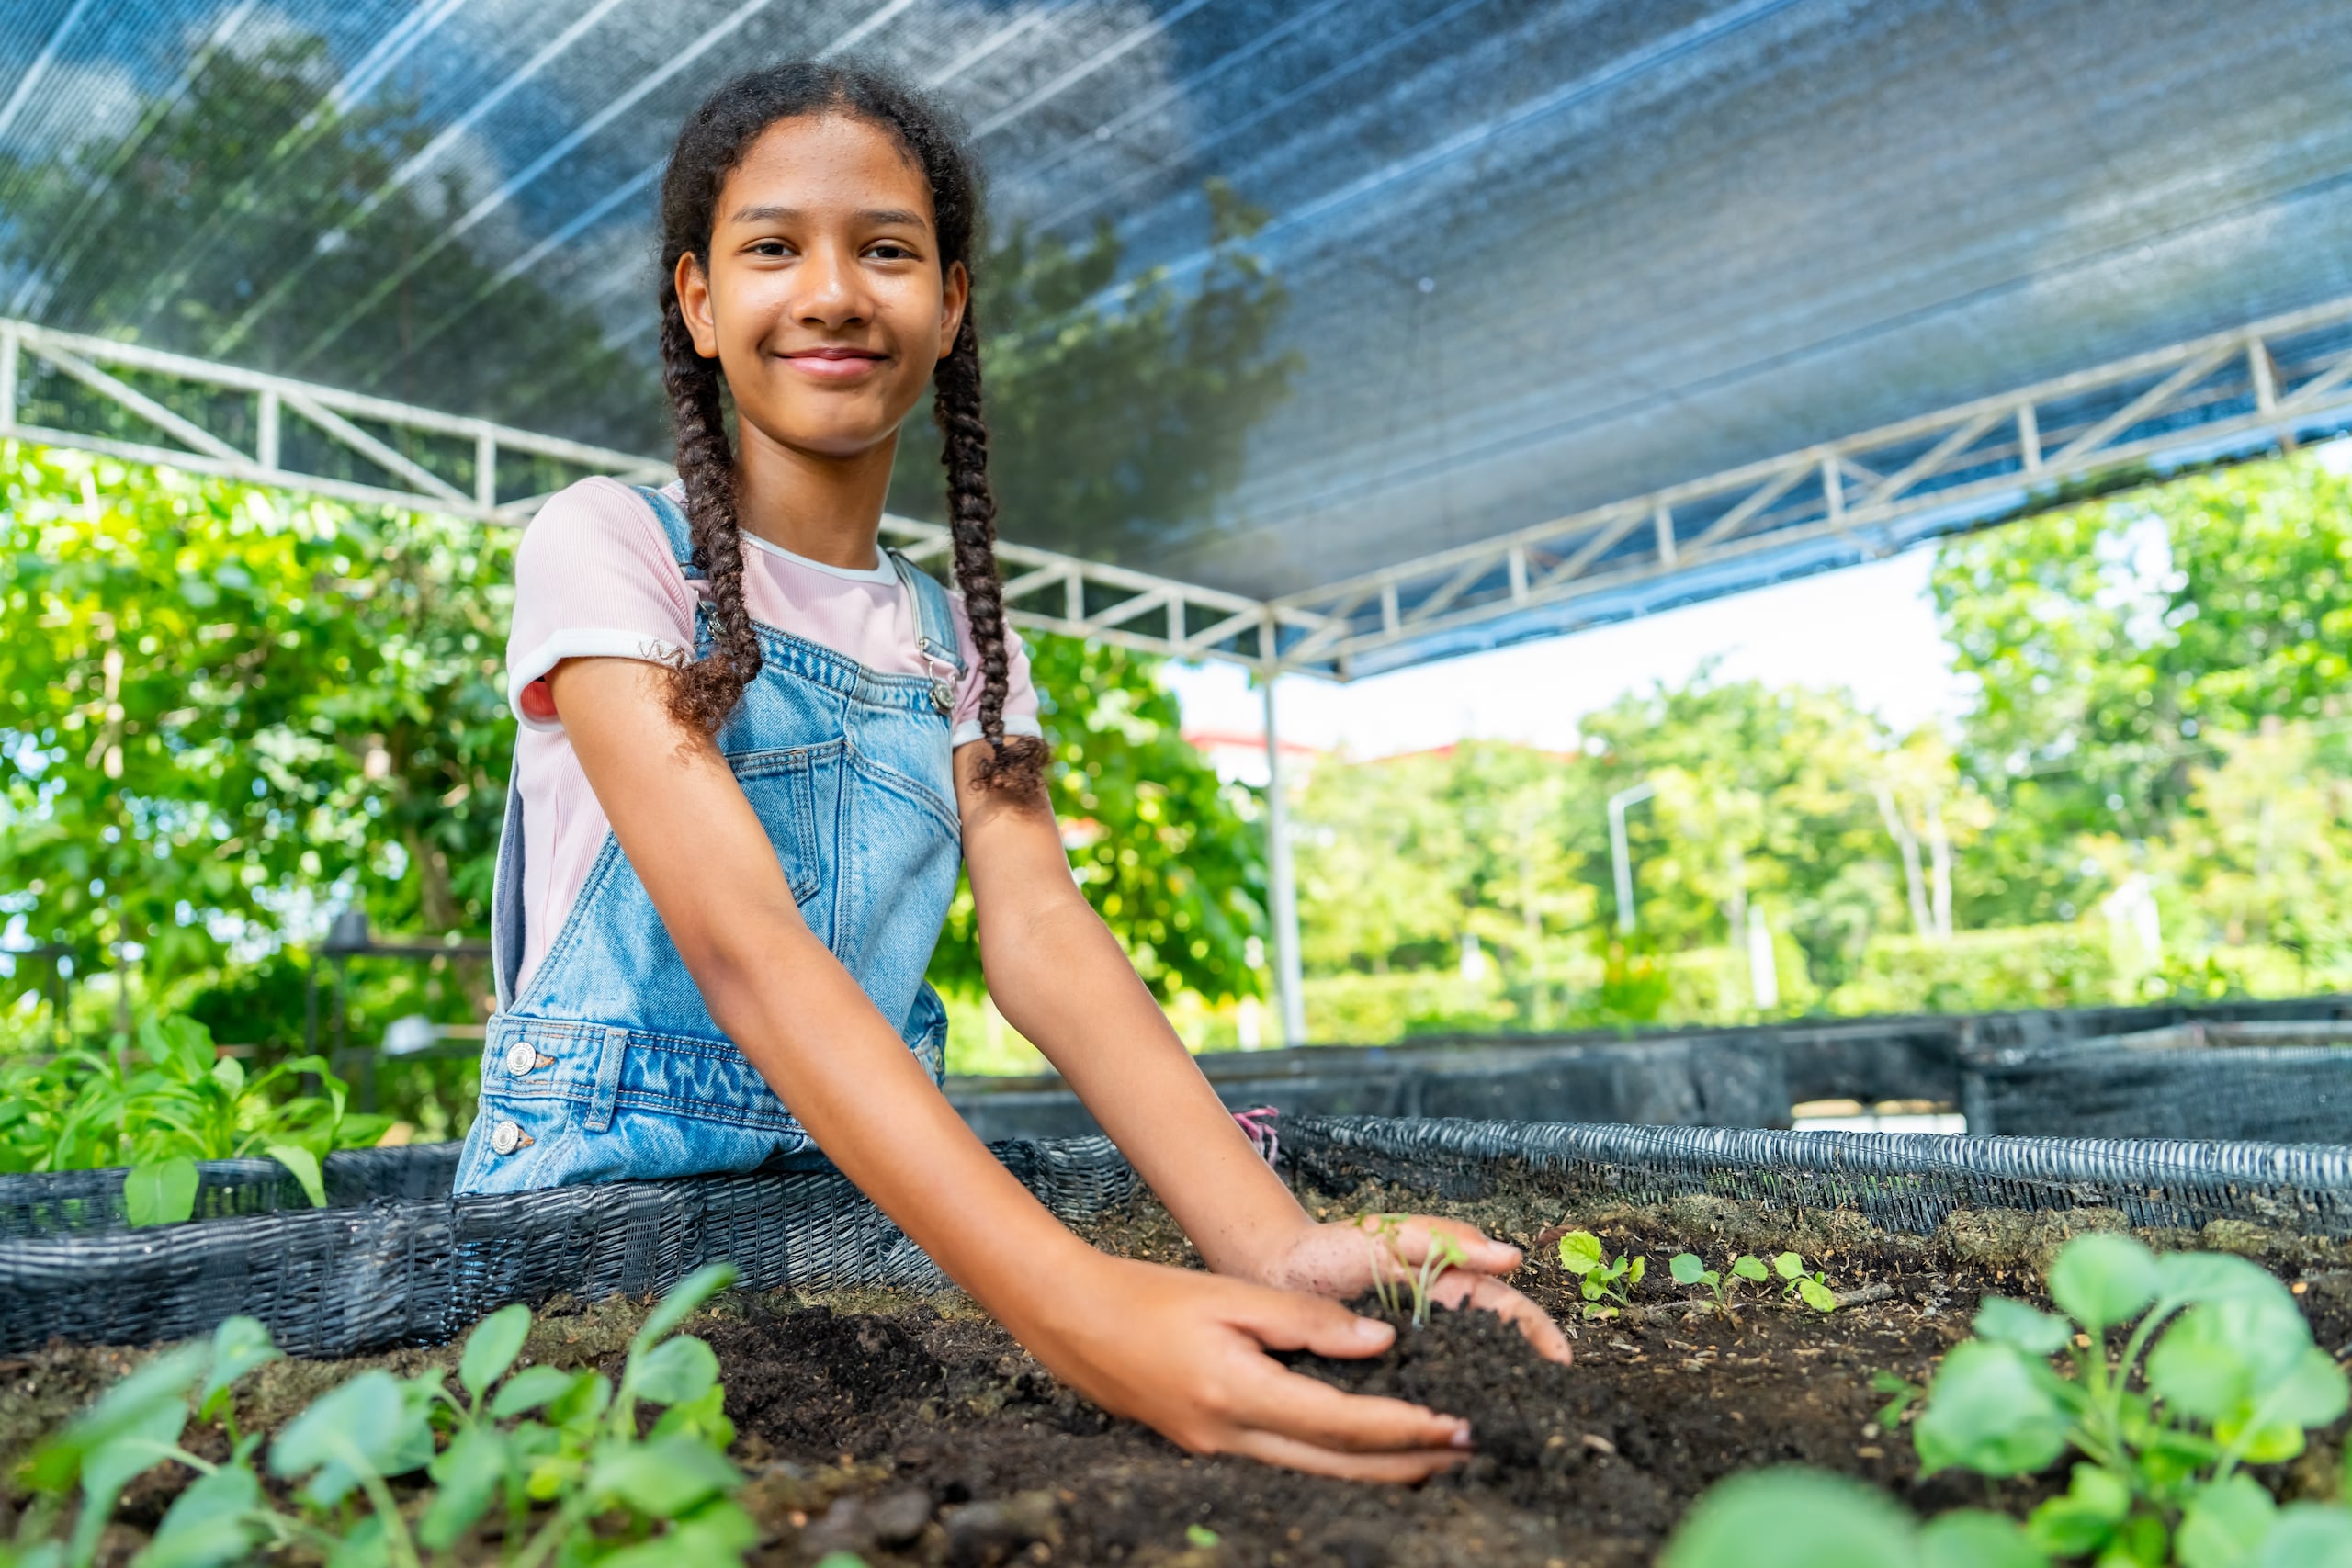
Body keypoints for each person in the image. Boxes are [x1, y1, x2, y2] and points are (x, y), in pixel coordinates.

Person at [454, 59, 1570, 1482]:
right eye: (773, 248)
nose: (835, 292)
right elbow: (743, 945)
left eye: (889, 251)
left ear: (953, 303)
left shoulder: (961, 644)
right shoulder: (609, 547)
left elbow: (1043, 942)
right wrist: (1078, 1305)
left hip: (843, 1234)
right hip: (575, 1254)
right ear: (696, 303)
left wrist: (1277, 1243)